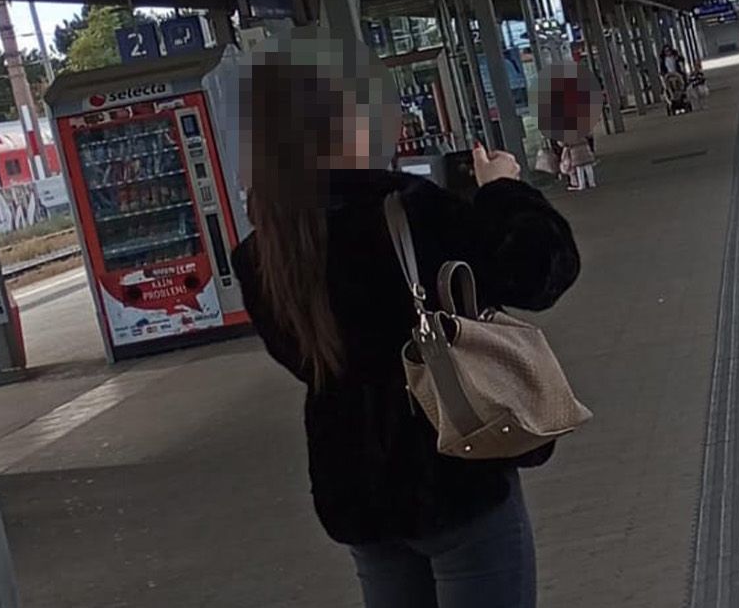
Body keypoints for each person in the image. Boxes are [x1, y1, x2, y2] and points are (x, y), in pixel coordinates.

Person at [231, 43, 581, 608]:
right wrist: (502, 190)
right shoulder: (411, 211)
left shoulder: (261, 255)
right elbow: (542, 271)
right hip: (452, 471)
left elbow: (307, 362)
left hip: (360, 495)